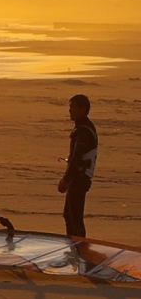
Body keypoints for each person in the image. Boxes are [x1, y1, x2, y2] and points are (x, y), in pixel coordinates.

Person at [57, 93, 97, 237]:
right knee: (69, 216)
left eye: (73, 107)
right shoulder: (83, 127)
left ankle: (79, 250)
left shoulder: (83, 131)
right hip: (79, 177)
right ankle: (74, 247)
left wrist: (66, 179)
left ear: (83, 109)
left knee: (75, 219)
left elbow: (77, 156)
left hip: (79, 178)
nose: (70, 110)